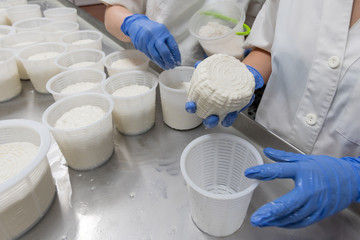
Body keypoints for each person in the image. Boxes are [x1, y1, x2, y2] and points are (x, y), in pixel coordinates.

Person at [187, 0, 360, 229]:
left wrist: (354, 177)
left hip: (344, 203)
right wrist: (245, 79)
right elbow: (268, 45)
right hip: (263, 151)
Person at [101, 0, 265, 70]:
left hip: (224, 74)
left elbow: (265, 28)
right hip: (156, 69)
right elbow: (113, 12)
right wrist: (133, 24)